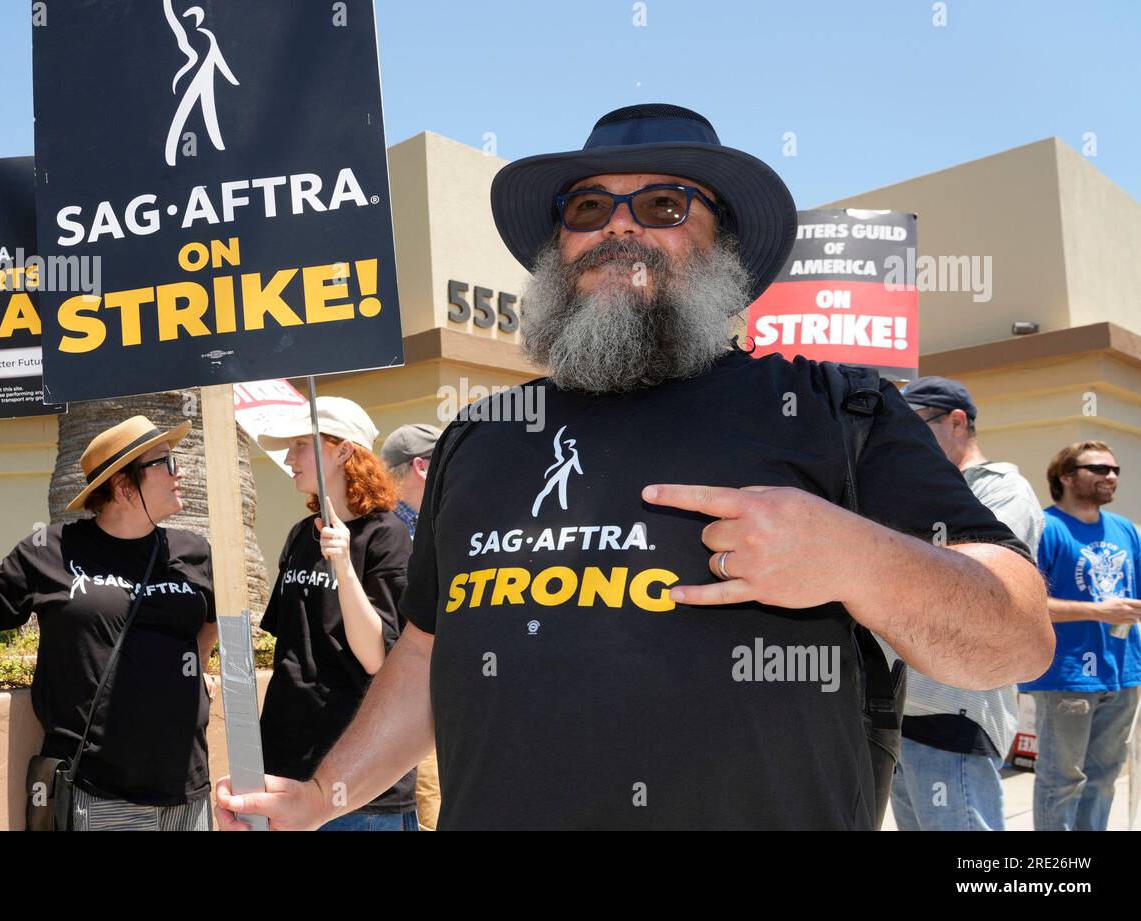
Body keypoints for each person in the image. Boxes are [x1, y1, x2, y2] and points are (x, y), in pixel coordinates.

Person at [217, 103, 1053, 831]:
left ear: (721, 241)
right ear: (559, 247)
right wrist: (324, 794)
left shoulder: (832, 406)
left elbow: (1015, 635)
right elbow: (427, 655)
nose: (619, 226)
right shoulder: (482, 436)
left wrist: (853, 556)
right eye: (588, 206)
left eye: (661, 203)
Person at [0, 415, 217, 831]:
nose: (179, 472)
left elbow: (214, 618)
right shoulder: (51, 549)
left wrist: (194, 666)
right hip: (99, 790)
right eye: (164, 462)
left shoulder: (194, 552)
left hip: (187, 787)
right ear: (124, 486)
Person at [887, 376, 1045, 830]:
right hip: (905, 705)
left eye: (914, 425)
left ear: (957, 422)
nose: (901, 438)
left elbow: (972, 582)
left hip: (956, 710)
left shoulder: (1004, 490)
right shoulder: (920, 486)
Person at [254, 398, 416, 830]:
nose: (288, 458)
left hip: (358, 779)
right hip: (287, 767)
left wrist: (343, 565)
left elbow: (377, 658)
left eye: (301, 444)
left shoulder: (387, 535)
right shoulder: (298, 535)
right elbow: (289, 648)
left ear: (344, 451)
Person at [1021, 440, 1141, 830]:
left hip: (1123, 672)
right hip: (1068, 677)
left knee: (1103, 781)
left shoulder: (1125, 529)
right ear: (1066, 477)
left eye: (1115, 470)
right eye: (1100, 469)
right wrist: (1098, 611)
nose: (1111, 477)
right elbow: (1029, 604)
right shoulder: (1046, 528)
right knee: (1063, 782)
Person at [381, 423, 442, 828]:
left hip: (431, 697)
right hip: (417, 698)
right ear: (422, 466)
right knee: (430, 801)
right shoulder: (399, 535)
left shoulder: (396, 530)